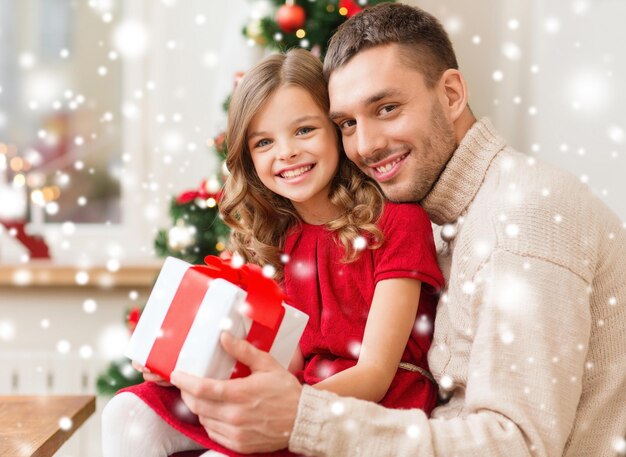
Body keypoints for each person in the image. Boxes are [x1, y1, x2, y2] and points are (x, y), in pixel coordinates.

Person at [168, 3, 626, 456]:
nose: (365, 146)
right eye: (346, 123)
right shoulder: (426, 214)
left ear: (451, 95)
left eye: (386, 108)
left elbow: (518, 446)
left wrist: (303, 419)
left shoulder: (525, 215)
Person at [102, 47, 444, 457]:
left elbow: (374, 373)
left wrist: (286, 410)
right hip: (301, 388)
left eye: (304, 130)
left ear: (337, 131)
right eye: (264, 141)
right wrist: (181, 372)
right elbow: (288, 362)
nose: (286, 153)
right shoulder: (284, 237)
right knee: (126, 412)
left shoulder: (396, 223)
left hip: (369, 405)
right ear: (248, 157)